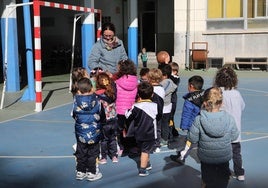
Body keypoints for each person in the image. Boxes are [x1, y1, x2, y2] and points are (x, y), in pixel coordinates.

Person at [188, 87, 239, 188]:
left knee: (207, 180)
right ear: (221, 103)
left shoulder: (199, 119)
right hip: (223, 157)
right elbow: (234, 136)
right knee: (223, 180)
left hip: (207, 158)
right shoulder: (229, 118)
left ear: (205, 103)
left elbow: (192, 138)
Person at [213, 67, 246, 181]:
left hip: (223, 131)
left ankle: (225, 172)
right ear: (234, 79)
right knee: (236, 154)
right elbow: (242, 106)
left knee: (223, 154)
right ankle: (240, 173)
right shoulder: (236, 93)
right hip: (236, 131)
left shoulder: (218, 93)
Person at [71, 77, 104, 181]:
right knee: (93, 153)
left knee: (81, 151)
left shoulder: (76, 101)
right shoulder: (98, 100)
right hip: (95, 131)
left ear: (79, 90)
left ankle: (80, 171)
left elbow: (73, 114)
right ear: (91, 88)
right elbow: (102, 115)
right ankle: (91, 172)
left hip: (81, 132)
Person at [125, 82, 158, 177]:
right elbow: (158, 116)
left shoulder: (136, 106)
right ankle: (142, 169)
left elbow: (128, 116)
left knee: (144, 150)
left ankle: (147, 164)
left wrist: (127, 110)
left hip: (138, 133)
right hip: (150, 133)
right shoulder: (154, 106)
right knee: (145, 151)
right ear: (152, 94)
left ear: (138, 94)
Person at [170, 75, 204, 163]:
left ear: (191, 86)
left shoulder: (189, 100)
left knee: (189, 142)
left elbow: (187, 114)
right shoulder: (205, 95)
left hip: (193, 125)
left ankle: (182, 157)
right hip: (204, 124)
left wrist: (184, 126)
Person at [114, 59, 138, 156]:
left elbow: (115, 94)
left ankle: (122, 147)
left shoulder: (118, 82)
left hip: (120, 109)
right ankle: (132, 147)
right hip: (131, 108)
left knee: (120, 129)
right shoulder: (135, 81)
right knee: (131, 129)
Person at [95, 72, 119, 164]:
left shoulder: (97, 94)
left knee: (104, 140)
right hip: (113, 118)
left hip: (104, 120)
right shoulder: (112, 92)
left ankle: (104, 157)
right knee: (113, 138)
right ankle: (114, 156)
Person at [147, 68, 165, 153]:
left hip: (149, 112)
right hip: (159, 112)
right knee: (158, 129)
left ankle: (150, 144)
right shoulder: (161, 89)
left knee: (150, 128)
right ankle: (157, 144)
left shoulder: (150, 89)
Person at [159, 64, 177, 145]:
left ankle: (164, 138)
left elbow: (162, 92)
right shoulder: (169, 82)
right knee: (165, 123)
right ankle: (165, 137)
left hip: (164, 106)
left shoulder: (165, 83)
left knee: (162, 123)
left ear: (165, 75)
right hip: (167, 106)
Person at [169, 62, 180, 137]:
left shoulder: (176, 78)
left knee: (170, 116)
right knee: (168, 117)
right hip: (169, 99)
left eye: (171, 70)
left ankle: (172, 131)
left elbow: (172, 80)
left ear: (175, 71)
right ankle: (172, 130)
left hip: (172, 99)